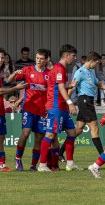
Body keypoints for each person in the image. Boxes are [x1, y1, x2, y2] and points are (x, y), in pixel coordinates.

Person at [70, 51, 105, 163]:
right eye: (96, 63)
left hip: (88, 101)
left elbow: (97, 83)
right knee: (95, 128)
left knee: (78, 130)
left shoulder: (91, 71)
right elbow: (72, 87)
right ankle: (104, 157)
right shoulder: (80, 72)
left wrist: (104, 86)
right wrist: (68, 102)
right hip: (84, 100)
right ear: (91, 61)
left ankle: (60, 153)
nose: (96, 65)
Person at [38, 44, 80, 172]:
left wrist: (69, 86)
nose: (74, 58)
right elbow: (60, 88)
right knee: (50, 134)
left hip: (61, 107)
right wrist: (70, 103)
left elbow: (58, 87)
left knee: (72, 132)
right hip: (55, 106)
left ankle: (70, 163)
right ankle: (42, 165)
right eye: (73, 56)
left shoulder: (60, 69)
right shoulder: (59, 68)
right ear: (66, 56)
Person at [8, 49, 50, 171]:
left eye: (41, 58)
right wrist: (15, 73)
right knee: (25, 133)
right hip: (29, 108)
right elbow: (10, 81)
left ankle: (33, 165)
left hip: (42, 110)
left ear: (46, 60)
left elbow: (51, 92)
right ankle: (18, 159)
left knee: (38, 137)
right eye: (37, 58)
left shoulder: (49, 74)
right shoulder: (28, 70)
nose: (38, 60)